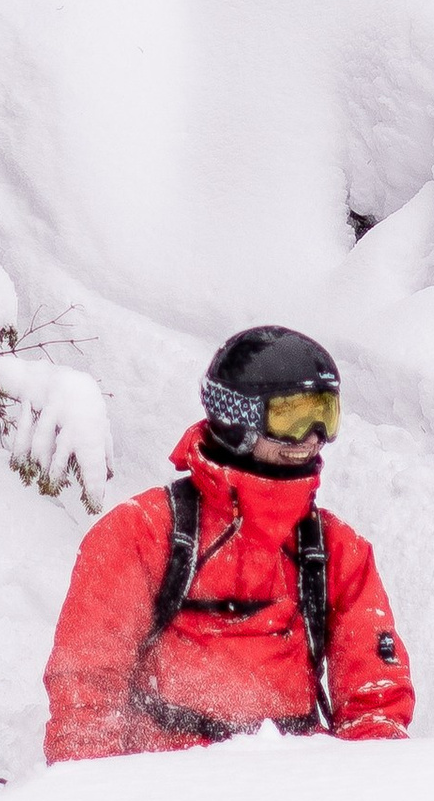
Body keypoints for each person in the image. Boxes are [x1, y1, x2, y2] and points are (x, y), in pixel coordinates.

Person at [43, 326, 414, 760]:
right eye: (291, 418)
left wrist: (362, 799)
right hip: (161, 795)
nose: (312, 437)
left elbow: (376, 704)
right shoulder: (141, 533)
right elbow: (86, 689)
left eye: (324, 416)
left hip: (297, 794)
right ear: (239, 420)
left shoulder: (336, 550)